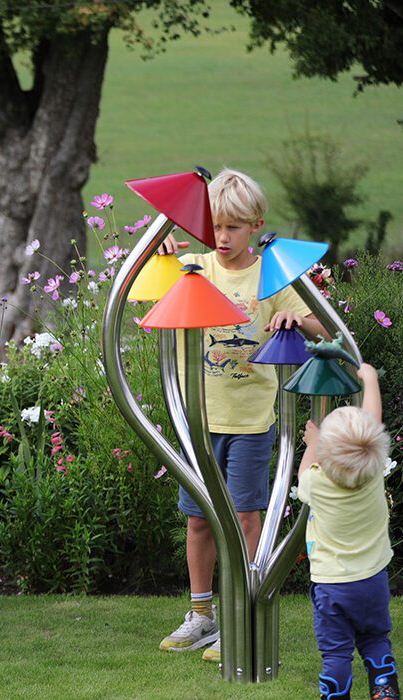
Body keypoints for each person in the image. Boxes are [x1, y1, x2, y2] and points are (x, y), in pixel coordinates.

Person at [155, 169, 327, 662]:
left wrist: (295, 318)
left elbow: (320, 323)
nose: (223, 238)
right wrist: (160, 252)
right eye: (215, 228)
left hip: (251, 421)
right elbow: (150, 286)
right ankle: (202, 615)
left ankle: (242, 612)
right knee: (199, 521)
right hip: (199, 420)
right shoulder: (196, 268)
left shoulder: (270, 275)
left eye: (233, 227)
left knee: (247, 516)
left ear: (256, 224)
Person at [299, 363, 395, 700]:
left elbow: (303, 470)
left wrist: (312, 442)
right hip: (372, 580)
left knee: (337, 654)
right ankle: (385, 693)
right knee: (375, 639)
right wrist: (369, 378)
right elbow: (373, 421)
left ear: (325, 454)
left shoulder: (316, 482)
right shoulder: (373, 473)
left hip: (332, 586)